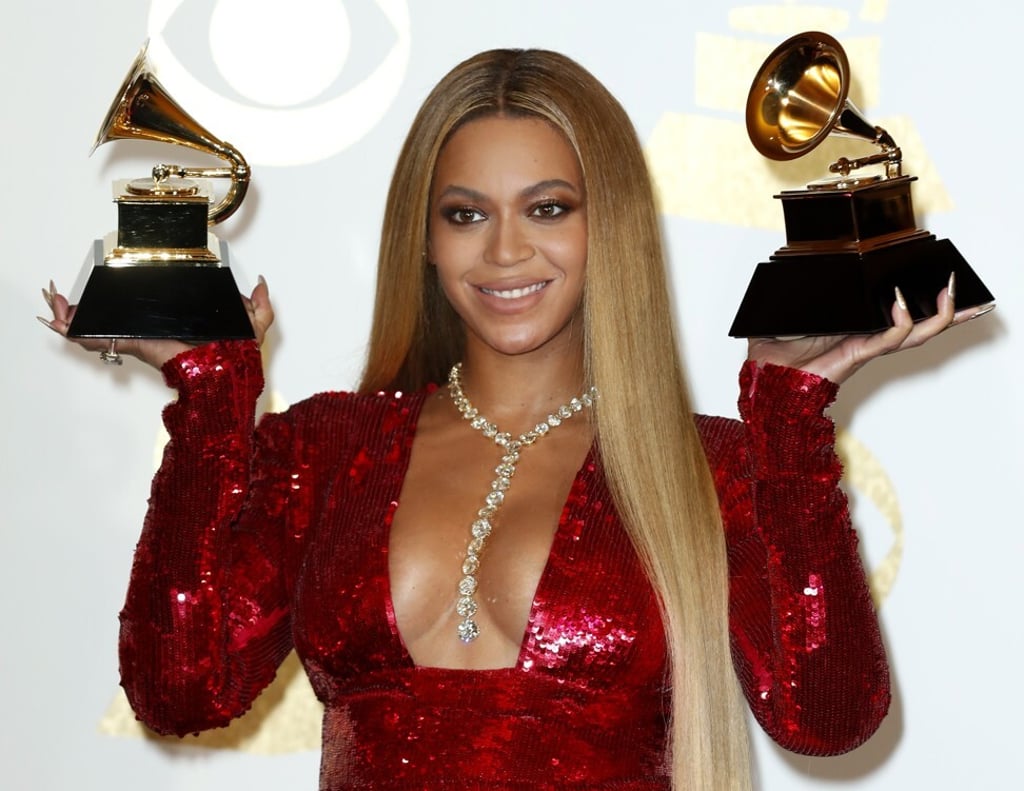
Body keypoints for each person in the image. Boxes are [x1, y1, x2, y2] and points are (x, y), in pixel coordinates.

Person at [40, 48, 988, 790]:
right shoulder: (328, 449)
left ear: (605, 222)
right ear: (423, 233)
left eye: (547, 207)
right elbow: (181, 687)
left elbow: (827, 718)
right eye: (463, 214)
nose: (503, 251)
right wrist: (210, 399)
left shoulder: (711, 468)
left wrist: (790, 413)